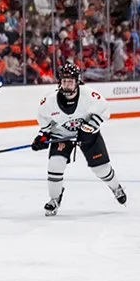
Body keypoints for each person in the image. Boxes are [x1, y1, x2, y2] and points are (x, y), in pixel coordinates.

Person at [33, 62, 126, 216]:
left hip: (88, 134)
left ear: (77, 82)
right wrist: (42, 136)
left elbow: (104, 111)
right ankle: (55, 199)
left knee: (101, 169)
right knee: (55, 165)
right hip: (62, 136)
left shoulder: (89, 96)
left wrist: (88, 128)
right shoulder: (49, 101)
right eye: (64, 81)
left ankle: (116, 187)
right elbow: (46, 124)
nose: (67, 85)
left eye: (70, 81)